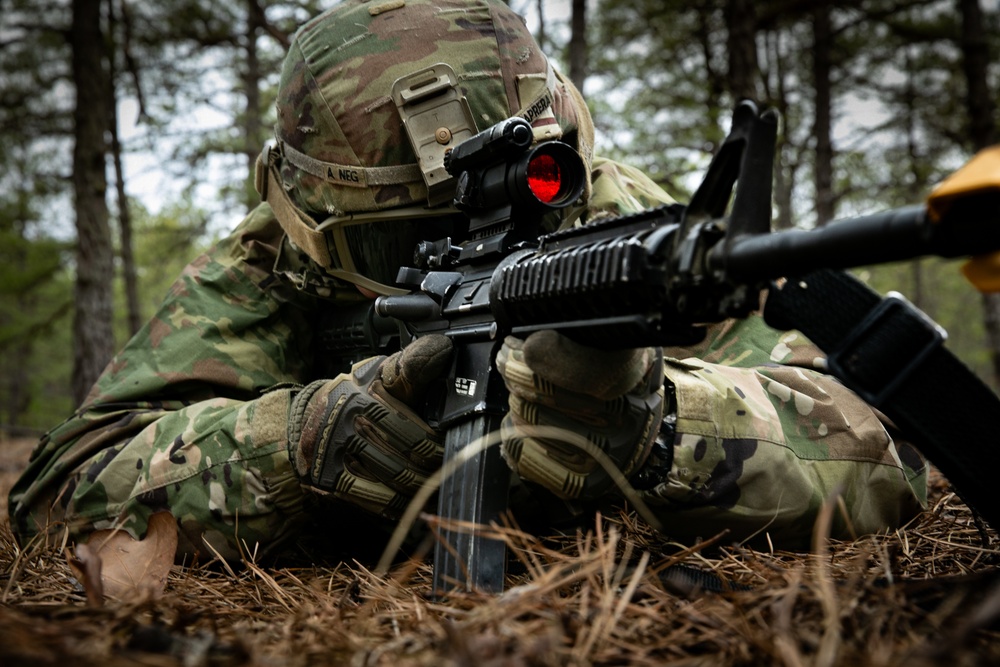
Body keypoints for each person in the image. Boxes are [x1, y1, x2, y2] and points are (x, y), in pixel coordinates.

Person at [8, 0, 927, 564]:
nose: (455, 251)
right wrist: (306, 446)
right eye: (396, 245)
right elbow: (61, 487)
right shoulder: (270, 262)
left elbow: (889, 446)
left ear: (561, 173)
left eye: (524, 217)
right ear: (301, 215)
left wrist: (657, 432)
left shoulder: (628, 237)